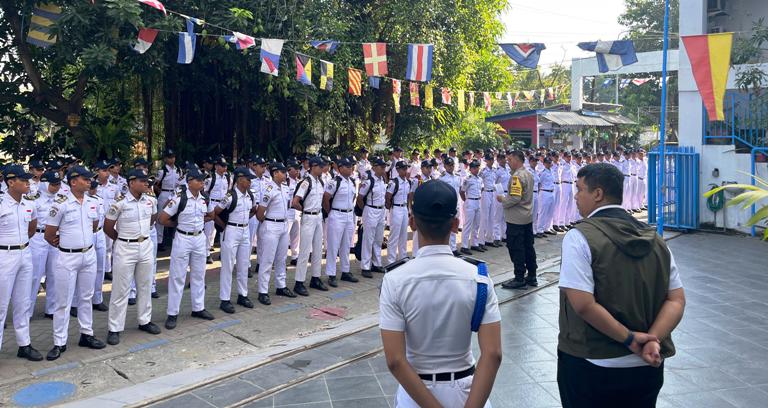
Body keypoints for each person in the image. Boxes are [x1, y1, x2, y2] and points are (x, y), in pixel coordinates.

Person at [557, 163, 686, 408]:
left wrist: (629, 339)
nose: (575, 196)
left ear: (598, 194)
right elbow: (676, 299)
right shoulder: (655, 239)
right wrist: (652, 340)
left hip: (593, 362)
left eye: (580, 189)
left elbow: (583, 305)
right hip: (646, 363)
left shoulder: (579, 237)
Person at [380, 180, 502, 408]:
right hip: (468, 392)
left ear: (412, 222)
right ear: (456, 224)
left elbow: (396, 360)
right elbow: (493, 353)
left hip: (417, 395)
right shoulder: (479, 278)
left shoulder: (394, 280)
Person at [45, 165, 106, 360]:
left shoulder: (92, 202)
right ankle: (59, 342)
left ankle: (86, 334)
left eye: (90, 178)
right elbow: (49, 233)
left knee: (86, 297)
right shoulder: (60, 203)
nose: (89, 181)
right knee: (63, 301)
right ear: (73, 181)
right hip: (67, 257)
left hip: (88, 255)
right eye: (85, 178)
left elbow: (94, 225)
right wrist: (65, 243)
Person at [104, 169, 161, 345]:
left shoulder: (151, 201)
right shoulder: (119, 203)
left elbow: (153, 219)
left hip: (145, 246)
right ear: (131, 182)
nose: (147, 184)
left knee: (145, 285)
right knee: (121, 289)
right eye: (143, 181)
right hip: (125, 247)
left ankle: (144, 320)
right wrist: (121, 240)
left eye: (147, 181)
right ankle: (114, 328)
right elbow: (108, 227)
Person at [159, 167, 215, 330]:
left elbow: (211, 215)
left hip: (199, 238)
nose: (202, 182)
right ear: (190, 182)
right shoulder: (179, 198)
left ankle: (198, 308)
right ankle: (172, 313)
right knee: (178, 276)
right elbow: (163, 218)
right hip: (183, 238)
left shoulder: (204, 197)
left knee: (199, 274)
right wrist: (178, 224)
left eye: (203, 180)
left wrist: (199, 222)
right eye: (198, 180)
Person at [0, 165, 44, 361]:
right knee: (1, 305)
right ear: (10, 182)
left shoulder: (29, 203)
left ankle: (24, 344)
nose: (27, 182)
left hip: (24, 253)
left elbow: (32, 226)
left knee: (23, 302)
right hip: (4, 255)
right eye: (22, 179)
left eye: (28, 179)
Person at [214, 167, 257, 312]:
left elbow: (253, 211)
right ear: (239, 179)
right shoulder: (230, 196)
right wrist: (223, 226)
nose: (250, 182)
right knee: (228, 266)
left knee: (244, 264)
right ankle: (224, 299)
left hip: (245, 230)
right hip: (231, 230)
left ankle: (242, 295)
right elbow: (216, 212)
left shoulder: (250, 195)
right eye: (248, 179)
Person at [255, 162, 297, 305]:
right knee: (267, 260)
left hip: (283, 225)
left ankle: (281, 286)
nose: (285, 174)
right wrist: (266, 223)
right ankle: (263, 291)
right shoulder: (269, 188)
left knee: (281, 258)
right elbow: (260, 212)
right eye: (282, 172)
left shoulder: (285, 188)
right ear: (275, 173)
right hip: (271, 225)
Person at [497, 151, 538, 289]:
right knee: (528, 247)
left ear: (516, 160)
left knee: (516, 247)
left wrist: (502, 199)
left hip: (516, 219)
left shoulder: (517, 177)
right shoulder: (528, 174)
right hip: (526, 217)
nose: (508, 162)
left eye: (510, 159)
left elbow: (514, 198)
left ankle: (519, 277)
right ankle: (532, 275)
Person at [291, 156, 328, 295]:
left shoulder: (320, 182)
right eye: (320, 166)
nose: (323, 169)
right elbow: (295, 202)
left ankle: (315, 278)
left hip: (318, 216)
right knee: (305, 250)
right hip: (308, 216)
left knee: (318, 249)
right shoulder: (306, 182)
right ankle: (299, 282)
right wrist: (304, 210)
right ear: (313, 167)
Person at [28, 170, 61, 320]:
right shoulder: (34, 199)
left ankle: (51, 309)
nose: (56, 187)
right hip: (38, 237)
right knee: (35, 275)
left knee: (54, 274)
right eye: (53, 184)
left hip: (54, 238)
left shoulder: (61, 200)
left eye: (58, 184)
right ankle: (26, 311)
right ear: (44, 183)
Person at [358, 158, 387, 278]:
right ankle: (365, 266)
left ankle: (377, 263)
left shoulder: (382, 180)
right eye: (381, 167)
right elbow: (360, 197)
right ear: (374, 167)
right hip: (370, 209)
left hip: (381, 210)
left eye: (384, 167)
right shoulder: (369, 181)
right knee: (368, 239)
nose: (383, 169)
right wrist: (365, 209)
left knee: (378, 238)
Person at [385, 161, 412, 265]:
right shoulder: (393, 182)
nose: (405, 171)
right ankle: (391, 261)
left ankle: (403, 257)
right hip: (396, 208)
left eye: (406, 168)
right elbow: (388, 196)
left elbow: (409, 196)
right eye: (403, 169)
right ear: (398, 170)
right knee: (394, 235)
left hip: (404, 209)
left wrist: (410, 209)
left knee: (403, 235)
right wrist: (390, 207)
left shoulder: (408, 182)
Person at [155, 149, 182, 251]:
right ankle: (159, 241)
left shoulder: (178, 170)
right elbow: (155, 184)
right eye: (169, 157)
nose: (172, 159)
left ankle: (175, 237)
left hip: (176, 194)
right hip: (165, 193)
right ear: (165, 159)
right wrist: (160, 192)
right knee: (161, 217)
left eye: (173, 157)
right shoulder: (162, 171)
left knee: (177, 216)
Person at [438, 157, 462, 255]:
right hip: (447, 204)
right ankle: (447, 248)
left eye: (452, 165)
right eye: (448, 165)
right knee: (446, 226)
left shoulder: (457, 177)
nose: (451, 167)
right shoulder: (442, 178)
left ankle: (453, 248)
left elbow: (459, 190)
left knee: (454, 226)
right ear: (445, 166)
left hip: (456, 204)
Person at [409, 160, 434, 255]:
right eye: (427, 167)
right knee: (418, 232)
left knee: (428, 231)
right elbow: (412, 194)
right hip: (419, 208)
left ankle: (426, 252)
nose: (429, 170)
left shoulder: (431, 178)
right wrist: (412, 208)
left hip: (429, 208)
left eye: (430, 167)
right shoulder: (417, 179)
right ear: (422, 168)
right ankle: (415, 254)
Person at [460, 160, 483, 255]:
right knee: (468, 225)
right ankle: (464, 246)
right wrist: (466, 200)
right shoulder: (467, 179)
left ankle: (475, 243)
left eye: (477, 167)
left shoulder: (479, 179)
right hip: (470, 201)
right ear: (470, 169)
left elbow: (481, 189)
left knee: (477, 224)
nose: (476, 169)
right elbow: (462, 191)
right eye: (474, 167)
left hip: (478, 201)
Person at [479, 154, 498, 249]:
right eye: (489, 160)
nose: (491, 161)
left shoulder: (495, 170)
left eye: (492, 159)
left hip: (493, 193)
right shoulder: (483, 171)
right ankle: (481, 241)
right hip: (485, 193)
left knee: (492, 217)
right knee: (484, 217)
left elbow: (497, 182)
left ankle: (489, 239)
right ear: (486, 161)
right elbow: (478, 180)